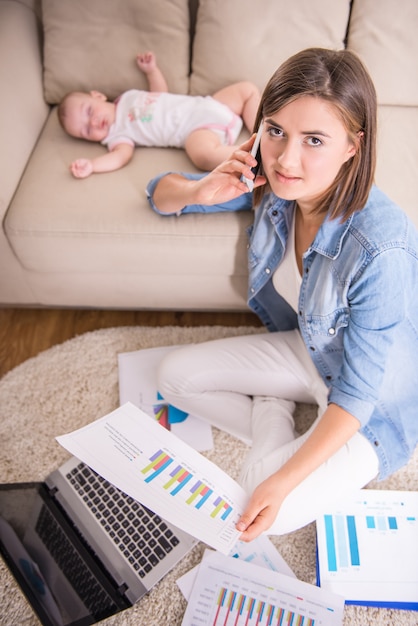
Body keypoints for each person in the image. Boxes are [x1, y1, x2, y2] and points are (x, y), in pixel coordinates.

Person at [150, 47, 418, 541]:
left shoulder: (382, 245)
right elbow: (159, 193)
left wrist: (281, 481)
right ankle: (275, 408)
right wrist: (201, 189)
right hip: (310, 355)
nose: (286, 159)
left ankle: (282, 431)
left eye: (314, 140)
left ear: (352, 146)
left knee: (265, 505)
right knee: (173, 377)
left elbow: (358, 397)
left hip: (373, 406)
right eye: (276, 131)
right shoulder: (267, 182)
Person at [57, 51, 260, 179]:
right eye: (85, 130)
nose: (92, 123)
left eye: (89, 111)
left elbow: (159, 95)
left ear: (98, 96)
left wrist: (151, 71)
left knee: (247, 89)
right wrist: (92, 165)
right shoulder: (117, 135)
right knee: (202, 156)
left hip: (209, 104)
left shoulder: (127, 96)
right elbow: (120, 157)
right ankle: (252, 154)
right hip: (196, 132)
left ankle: (261, 132)